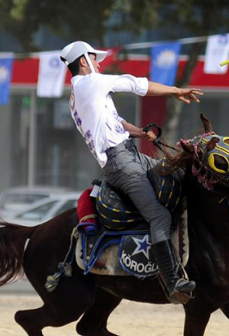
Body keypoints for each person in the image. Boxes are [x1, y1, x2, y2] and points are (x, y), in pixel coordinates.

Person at [60, 41, 203, 304]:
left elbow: (115, 121)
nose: (99, 62)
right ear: (83, 61)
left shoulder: (79, 92)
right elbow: (138, 84)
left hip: (129, 155)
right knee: (158, 215)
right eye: (95, 58)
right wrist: (175, 91)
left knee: (182, 177)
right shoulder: (92, 82)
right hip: (121, 164)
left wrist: (139, 132)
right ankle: (172, 282)